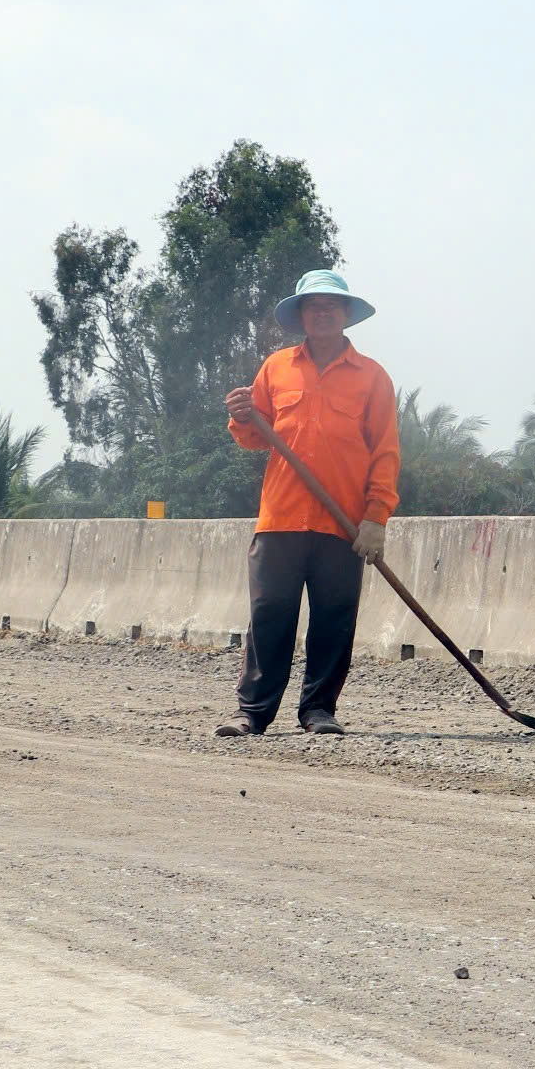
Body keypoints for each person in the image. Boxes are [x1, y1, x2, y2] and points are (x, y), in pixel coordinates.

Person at [216, 268, 400, 738]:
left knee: (334, 617)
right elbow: (255, 438)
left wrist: (376, 517)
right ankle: (252, 713)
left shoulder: (373, 378)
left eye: (332, 306)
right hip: (280, 517)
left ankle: (318, 709)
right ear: (301, 315)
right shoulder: (276, 368)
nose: (322, 313)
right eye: (313, 306)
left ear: (346, 315)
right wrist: (242, 416)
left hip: (343, 523)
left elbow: (385, 452)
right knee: (270, 613)